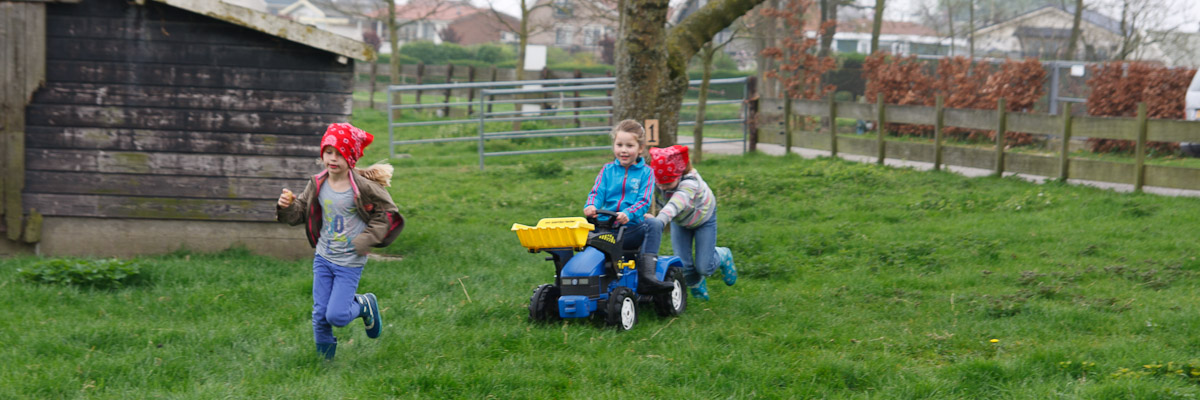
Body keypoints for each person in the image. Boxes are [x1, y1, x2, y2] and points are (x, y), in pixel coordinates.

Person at [276, 123, 405, 361]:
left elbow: (387, 213)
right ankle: (325, 363)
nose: (332, 159)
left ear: (350, 157)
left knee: (337, 316)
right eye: (328, 152)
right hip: (323, 257)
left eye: (339, 153)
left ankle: (365, 305)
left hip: (349, 262)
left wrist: (366, 239)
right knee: (320, 313)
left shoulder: (363, 188)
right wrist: (287, 206)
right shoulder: (317, 183)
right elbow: (300, 213)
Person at [583, 119, 673, 294]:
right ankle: (583, 279)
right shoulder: (607, 170)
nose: (623, 150)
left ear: (640, 148)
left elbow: (644, 200)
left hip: (630, 231)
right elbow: (596, 192)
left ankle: (647, 275)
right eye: (619, 145)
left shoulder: (646, 173)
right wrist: (591, 205)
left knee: (653, 224)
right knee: (579, 229)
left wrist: (628, 213)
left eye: (629, 146)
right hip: (604, 230)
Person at [645, 145, 736, 301]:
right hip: (681, 222)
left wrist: (659, 221)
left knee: (704, 267)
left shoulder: (690, 183)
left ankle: (723, 255)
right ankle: (696, 285)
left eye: (667, 184)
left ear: (679, 174)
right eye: (659, 183)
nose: (662, 187)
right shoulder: (658, 181)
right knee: (683, 264)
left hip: (703, 218)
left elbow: (675, 204)